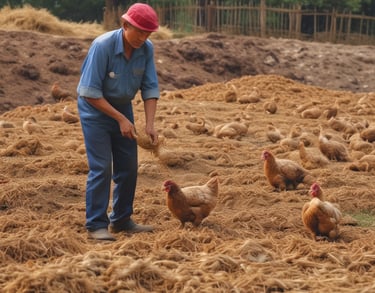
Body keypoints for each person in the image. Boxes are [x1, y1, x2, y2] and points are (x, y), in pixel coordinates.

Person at [77, 3, 160, 241]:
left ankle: (122, 220)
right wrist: (121, 119)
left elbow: (150, 87)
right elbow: (89, 92)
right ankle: (95, 225)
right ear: (125, 25)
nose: (143, 38)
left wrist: (150, 124)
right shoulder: (102, 46)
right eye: (139, 32)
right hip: (95, 110)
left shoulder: (146, 49)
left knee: (129, 165)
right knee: (102, 166)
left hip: (122, 107)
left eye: (148, 34)